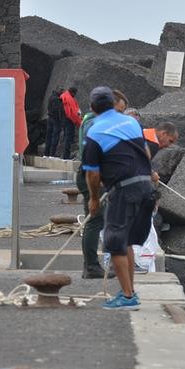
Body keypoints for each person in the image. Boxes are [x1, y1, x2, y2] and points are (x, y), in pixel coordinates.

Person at [81, 86, 156, 310]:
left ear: (93, 107)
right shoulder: (131, 122)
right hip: (145, 186)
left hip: (124, 190)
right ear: (114, 104)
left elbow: (92, 173)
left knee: (114, 243)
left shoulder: (94, 132)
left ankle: (127, 296)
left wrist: (94, 199)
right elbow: (147, 153)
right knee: (127, 242)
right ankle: (130, 291)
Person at [76, 96, 112, 279]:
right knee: (95, 221)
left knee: (95, 221)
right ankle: (90, 266)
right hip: (91, 176)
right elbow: (94, 158)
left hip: (90, 174)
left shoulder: (89, 121)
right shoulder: (94, 125)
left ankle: (90, 265)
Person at [60, 87, 82, 159]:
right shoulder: (70, 99)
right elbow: (73, 113)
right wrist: (79, 123)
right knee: (68, 138)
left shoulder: (63, 96)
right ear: (73, 92)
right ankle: (66, 156)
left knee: (65, 137)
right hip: (69, 121)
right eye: (75, 93)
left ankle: (64, 155)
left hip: (63, 120)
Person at [45, 87, 64, 157]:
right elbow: (56, 110)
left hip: (50, 118)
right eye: (61, 90)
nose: (62, 92)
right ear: (58, 90)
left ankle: (46, 153)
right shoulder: (56, 99)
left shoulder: (51, 97)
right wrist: (60, 119)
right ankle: (52, 153)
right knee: (55, 136)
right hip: (55, 120)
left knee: (48, 136)